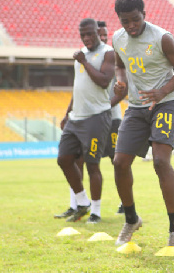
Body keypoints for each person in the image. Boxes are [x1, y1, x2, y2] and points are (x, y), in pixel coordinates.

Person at [111, 0, 174, 249]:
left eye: (135, 19)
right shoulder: (117, 38)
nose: (131, 25)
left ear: (144, 14)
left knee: (160, 161)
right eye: (126, 21)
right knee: (119, 162)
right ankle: (131, 219)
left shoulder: (161, 37)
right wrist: (121, 80)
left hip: (165, 103)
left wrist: (163, 91)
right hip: (135, 106)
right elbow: (119, 63)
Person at [56, 18, 115, 224]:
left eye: (91, 34)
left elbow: (104, 81)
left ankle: (96, 211)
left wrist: (84, 61)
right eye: (83, 35)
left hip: (97, 117)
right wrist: (67, 113)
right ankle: (82, 202)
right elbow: (78, 87)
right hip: (76, 117)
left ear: (98, 33)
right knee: (64, 159)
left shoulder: (107, 53)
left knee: (92, 165)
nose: (87, 38)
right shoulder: (81, 55)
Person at [98, 20, 127, 214]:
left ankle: (125, 202)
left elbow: (122, 89)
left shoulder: (112, 57)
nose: (102, 38)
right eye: (98, 34)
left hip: (112, 118)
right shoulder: (89, 58)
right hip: (91, 118)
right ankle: (81, 204)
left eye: (104, 35)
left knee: (116, 160)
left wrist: (105, 107)